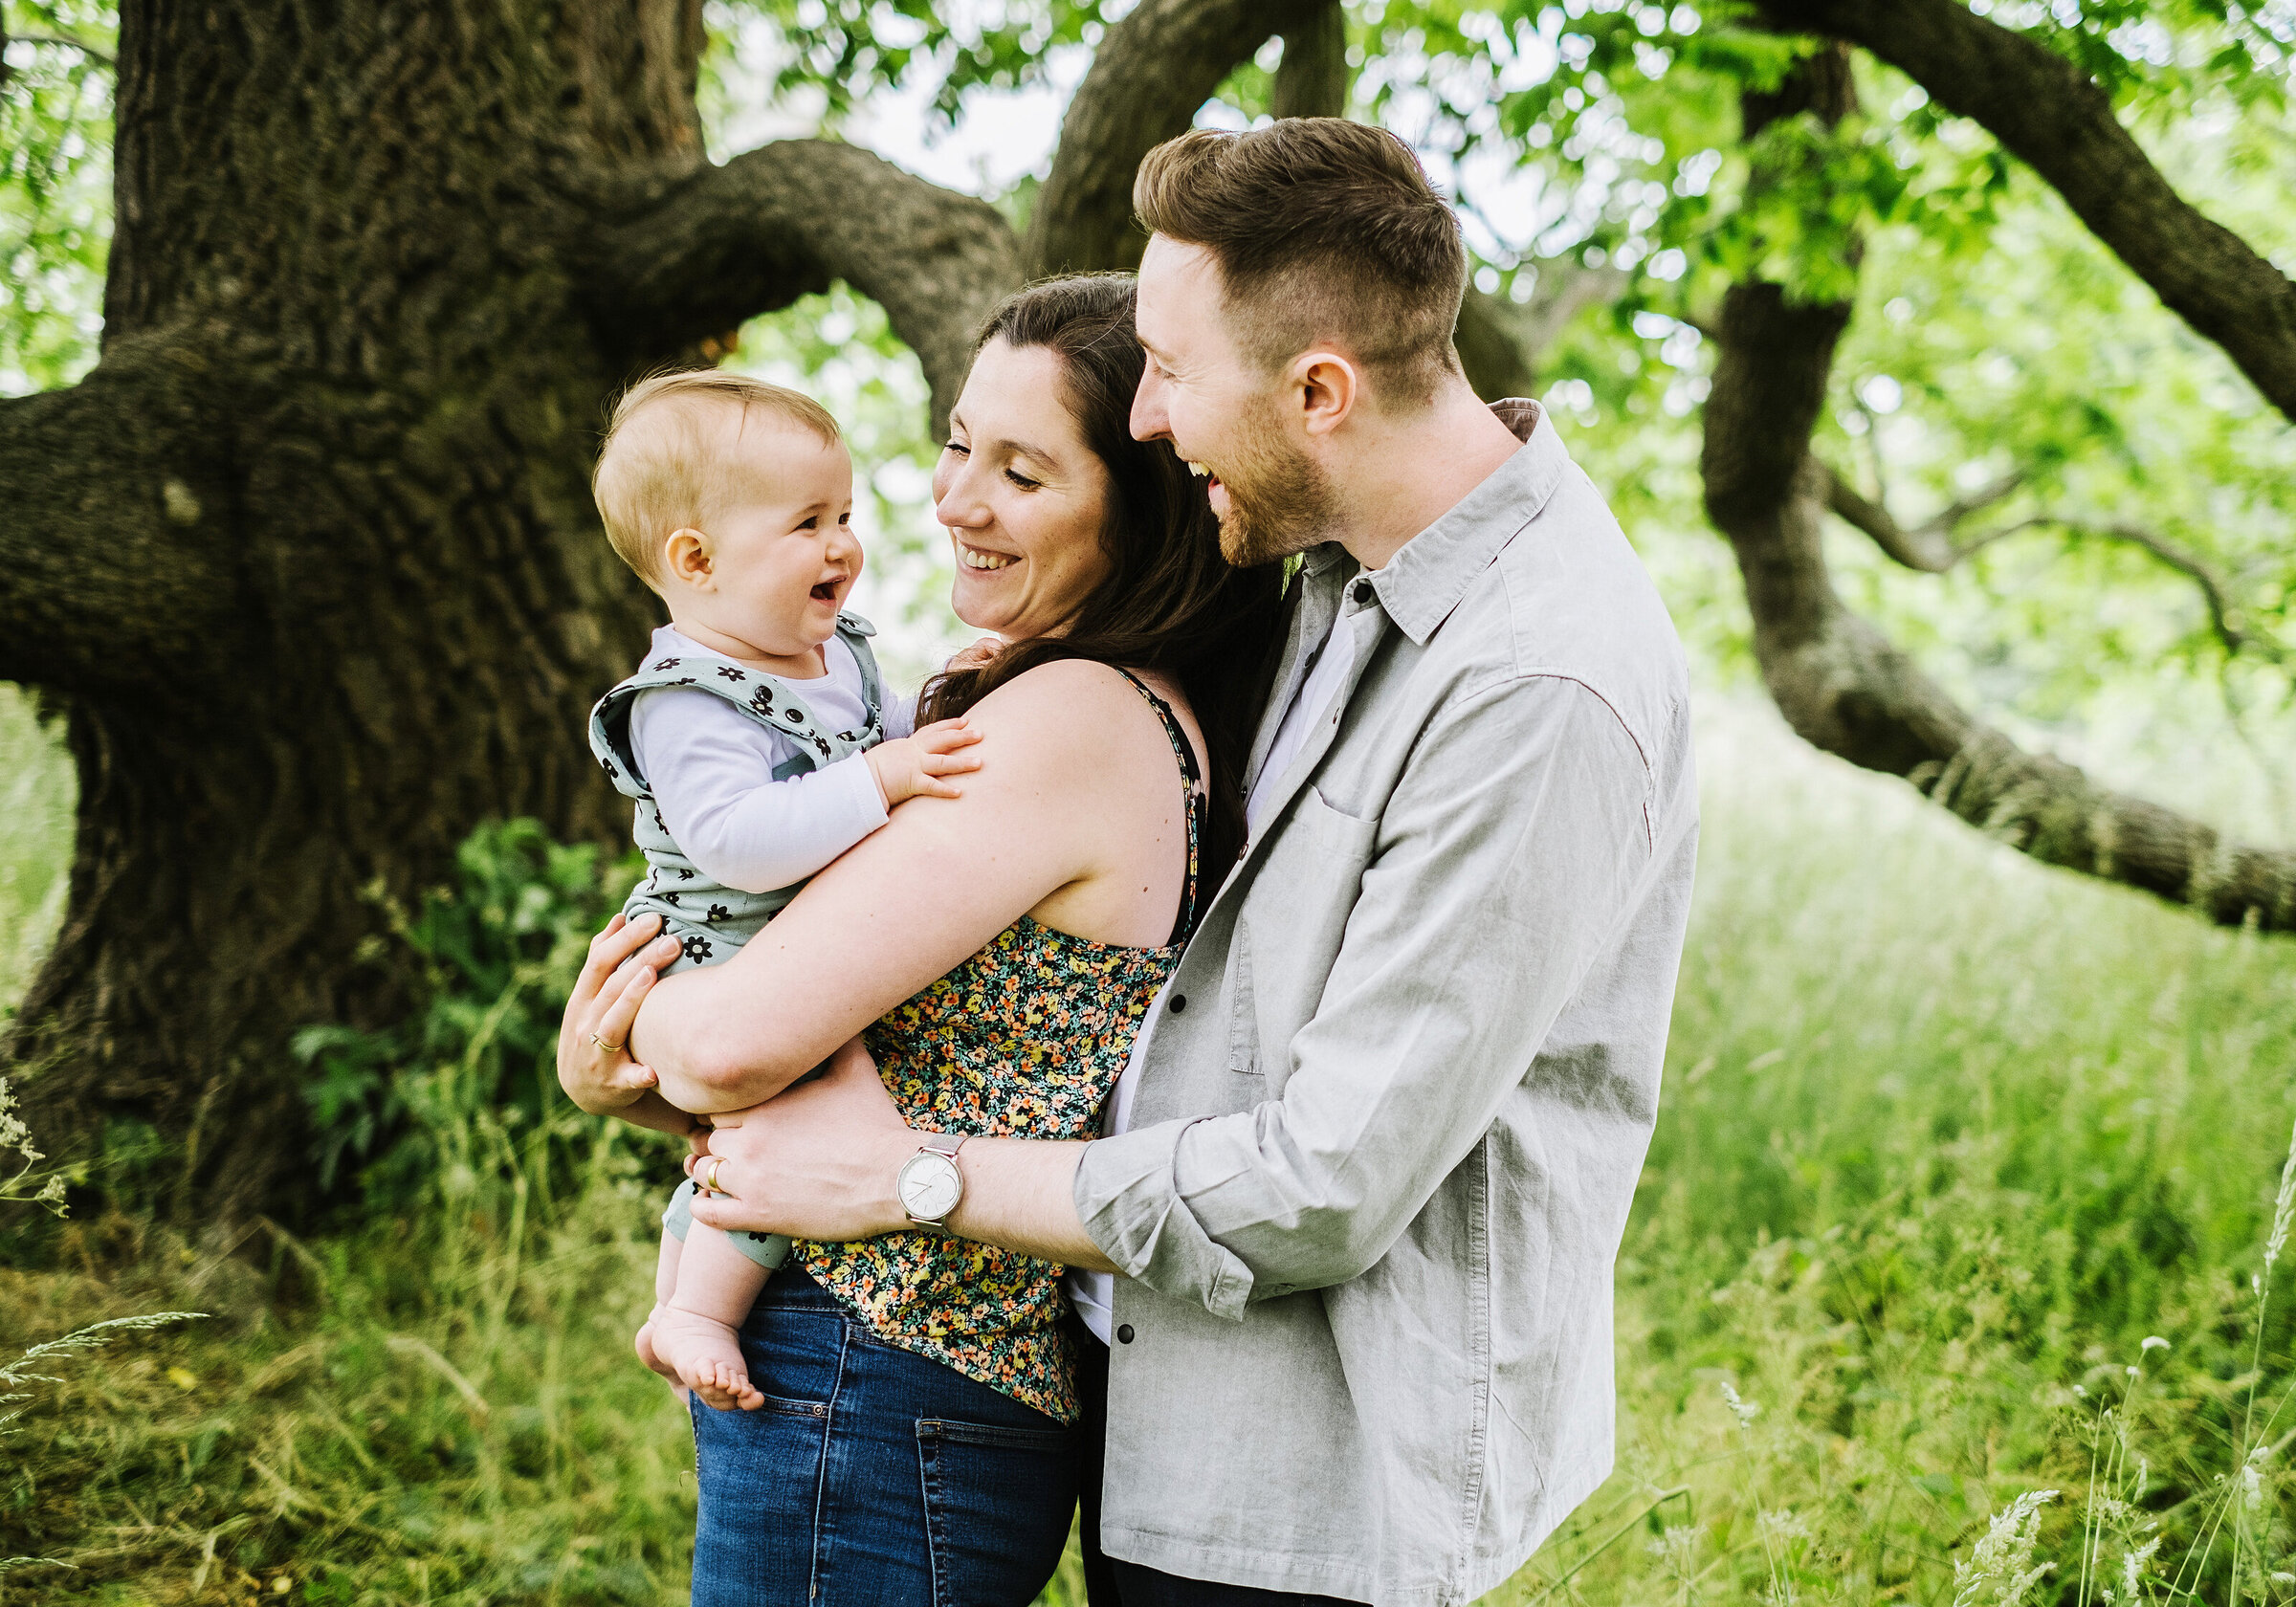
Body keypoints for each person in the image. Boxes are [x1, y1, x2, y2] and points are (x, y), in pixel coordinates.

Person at [566, 119, 1698, 1606]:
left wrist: (869, 1158)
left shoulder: (1531, 682)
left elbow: (1321, 1179)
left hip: (1320, 1484)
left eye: (1167, 372)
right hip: (1163, 1410)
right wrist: (677, 1092)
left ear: (1317, 390)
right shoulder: (1331, 591)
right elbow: (1107, 1051)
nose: (1154, 419)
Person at [562, 275, 1288, 1606]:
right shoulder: (1071, 701)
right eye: (960, 444)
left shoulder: (1066, 720)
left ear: (1142, 509)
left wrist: (620, 1029)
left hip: (880, 1364)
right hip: (915, 1362)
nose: (954, 499)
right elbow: (900, 1049)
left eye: (1021, 470)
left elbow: (730, 1048)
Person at [580, 370, 985, 1413]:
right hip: (722, 944)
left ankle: (684, 1304)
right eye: (808, 522)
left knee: (756, 1136)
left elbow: (882, 734)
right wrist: (883, 780)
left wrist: (950, 694)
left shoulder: (830, 652)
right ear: (695, 561)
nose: (843, 544)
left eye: (844, 514)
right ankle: (699, 1310)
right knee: (775, 1136)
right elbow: (738, 841)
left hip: (784, 943)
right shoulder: (683, 699)